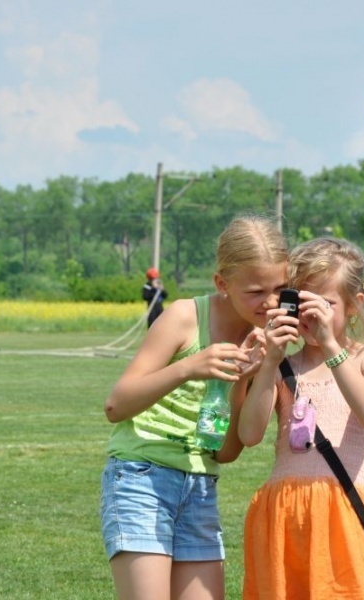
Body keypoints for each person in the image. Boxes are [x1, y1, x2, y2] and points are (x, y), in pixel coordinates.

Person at [101, 215, 290, 600]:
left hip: (201, 486)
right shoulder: (185, 317)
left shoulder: (264, 342)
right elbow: (115, 406)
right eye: (255, 291)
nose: (270, 302)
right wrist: (188, 368)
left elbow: (226, 451)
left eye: (281, 288)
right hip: (141, 478)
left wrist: (242, 379)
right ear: (222, 284)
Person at [237, 237, 364, 599]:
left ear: (355, 305)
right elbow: (248, 433)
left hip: (342, 514)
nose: (311, 316)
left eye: (324, 304)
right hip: (283, 515)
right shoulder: (283, 368)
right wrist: (270, 363)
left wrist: (331, 346)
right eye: (301, 302)